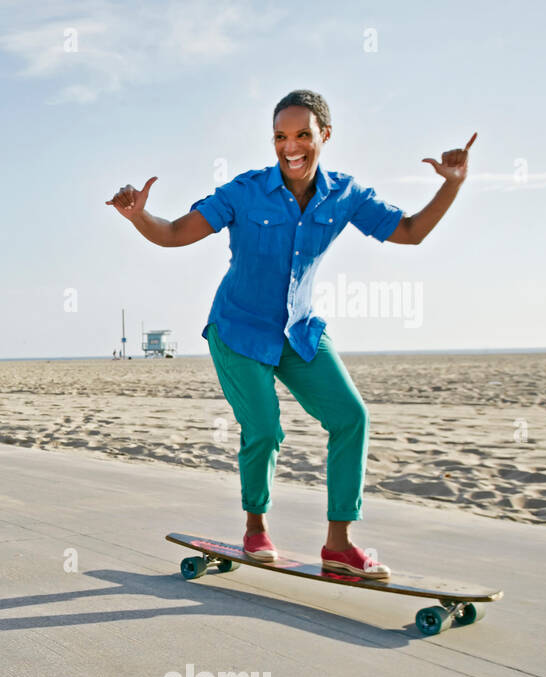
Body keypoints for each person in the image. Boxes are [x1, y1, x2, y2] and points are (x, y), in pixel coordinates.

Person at [107, 90, 474, 577]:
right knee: (264, 428)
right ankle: (255, 527)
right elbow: (174, 232)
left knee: (351, 417)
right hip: (238, 328)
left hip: (298, 330)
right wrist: (138, 217)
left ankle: (339, 544)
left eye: (303, 134)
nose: (291, 146)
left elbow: (409, 232)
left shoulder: (346, 195)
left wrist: (453, 185)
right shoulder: (245, 191)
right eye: (281, 136)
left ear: (325, 135)